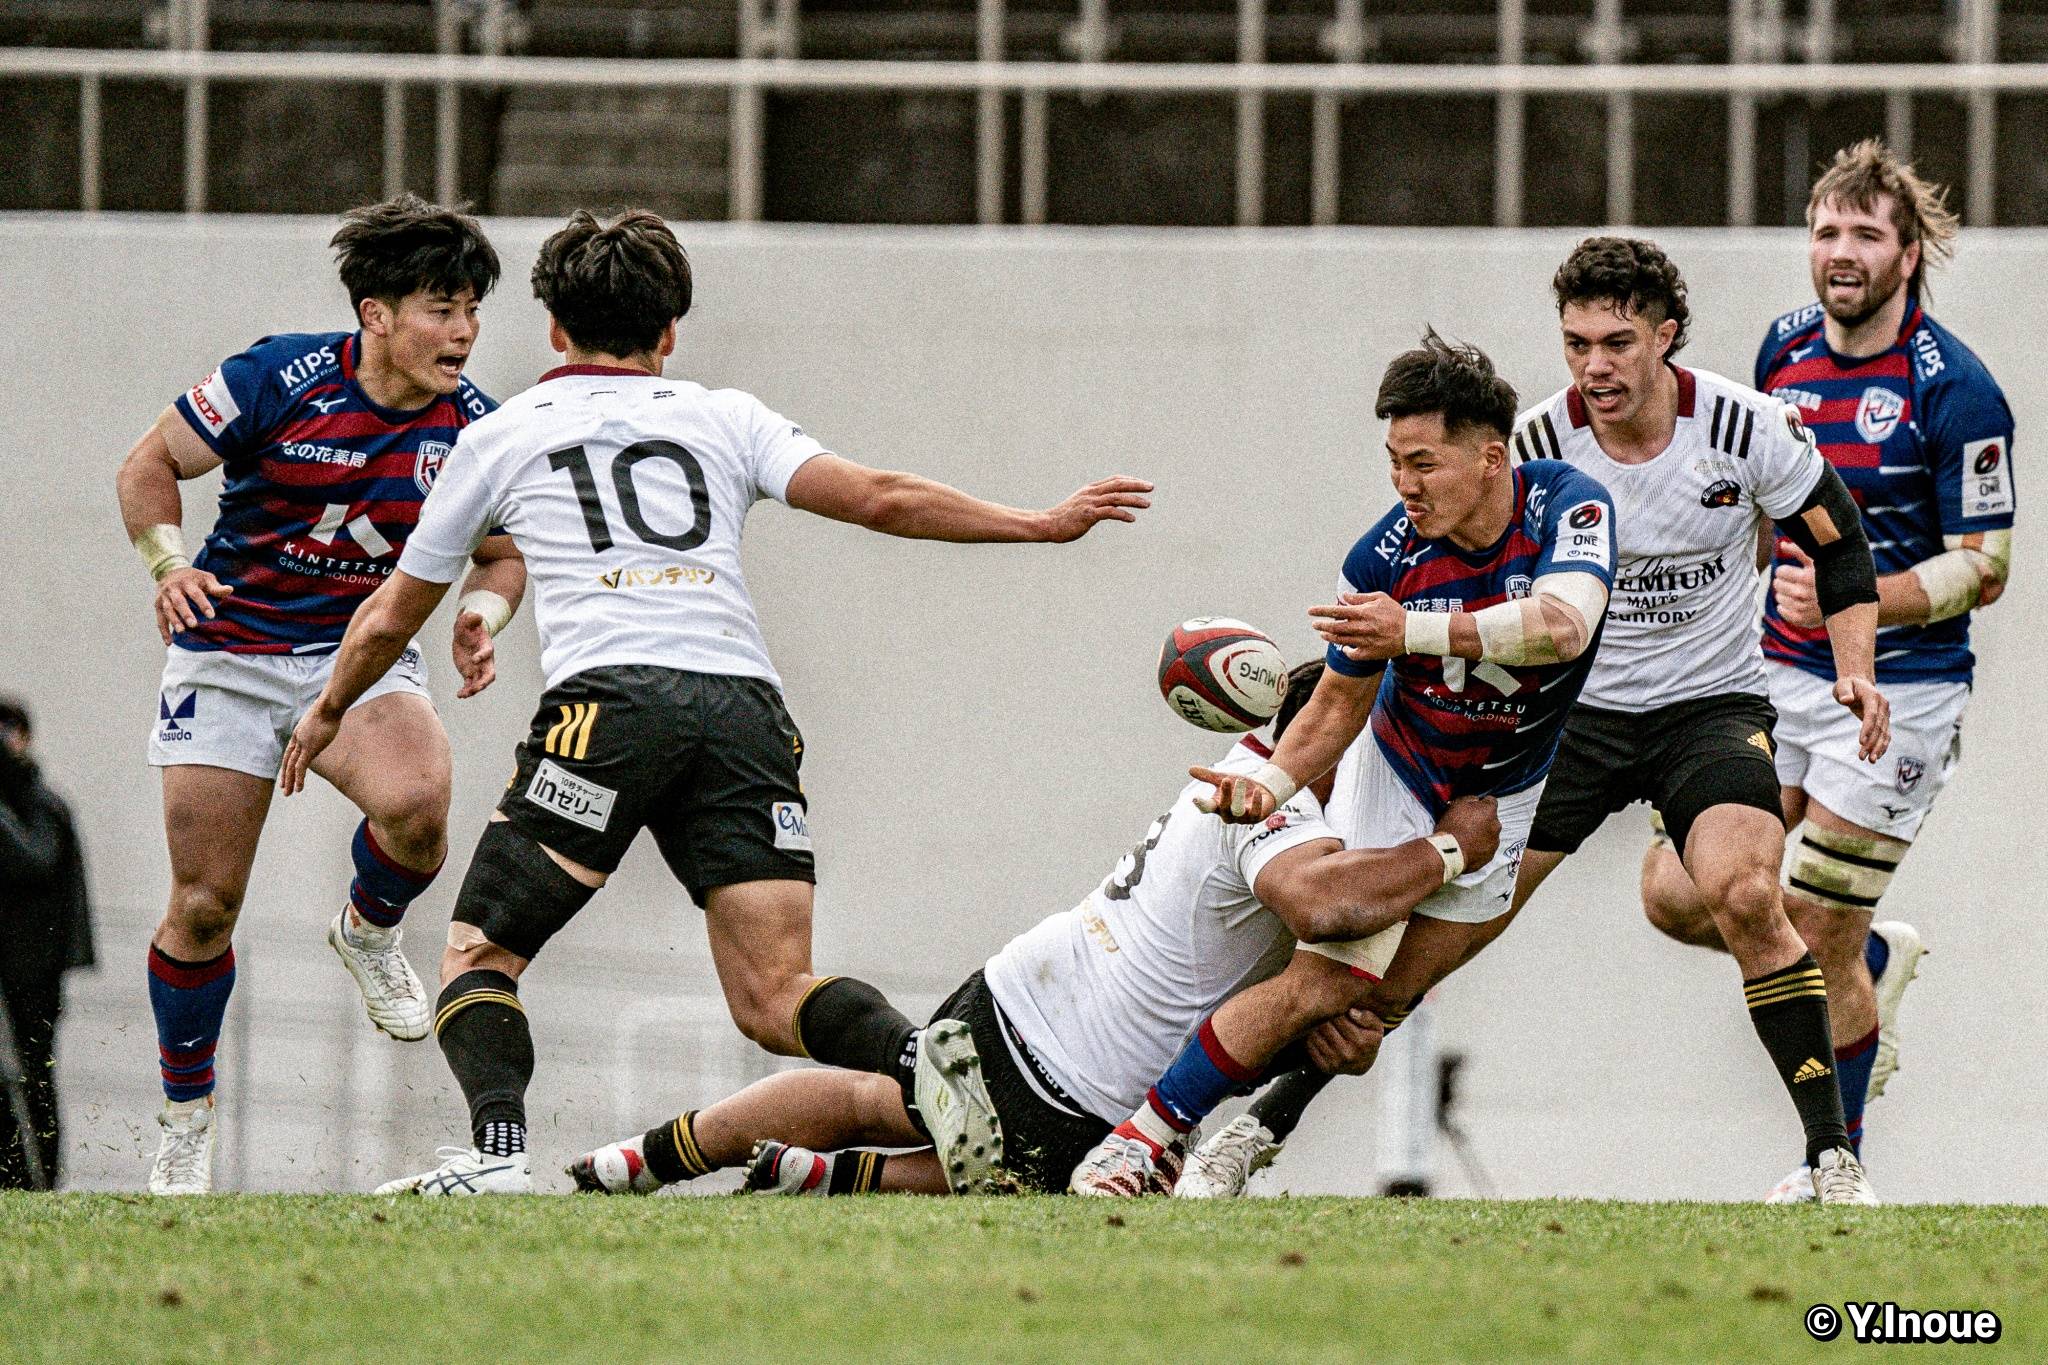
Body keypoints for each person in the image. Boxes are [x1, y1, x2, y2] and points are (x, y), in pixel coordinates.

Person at [279, 208, 1155, 1197]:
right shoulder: (725, 416)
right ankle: (926, 1064)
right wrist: (1036, 523)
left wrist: (327, 709)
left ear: (555, 330)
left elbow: (391, 614)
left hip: (609, 708)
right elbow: (878, 495)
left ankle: (496, 1157)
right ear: (669, 333)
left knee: (481, 955)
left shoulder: (500, 435)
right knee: (775, 993)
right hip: (744, 711)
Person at [1182, 239, 1892, 1206]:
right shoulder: (1537, 445)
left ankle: (1833, 1161)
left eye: (1616, 342)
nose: (1594, 366)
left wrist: (1857, 672)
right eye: (1575, 344)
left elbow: (1840, 541)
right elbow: (1447, 560)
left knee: (1748, 893)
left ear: (1665, 337)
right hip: (1566, 721)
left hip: (1708, 709)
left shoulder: (1746, 426)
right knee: (1413, 957)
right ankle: (1258, 1130)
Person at [563, 661, 1500, 1197]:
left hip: (1022, 985)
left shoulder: (1249, 763)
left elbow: (1296, 975)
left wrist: (1339, 1036)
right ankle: (809, 1177)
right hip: (1082, 1073)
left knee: (875, 1101)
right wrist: (1451, 849)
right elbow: (1324, 907)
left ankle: (635, 1161)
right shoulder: (1280, 806)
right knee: (990, 1176)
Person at [1068, 330, 1617, 1196]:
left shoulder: (1568, 505)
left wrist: (1413, 631)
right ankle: (1143, 1143)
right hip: (1401, 766)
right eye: (1393, 461)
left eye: (1422, 462)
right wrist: (1270, 783)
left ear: (1490, 457)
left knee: (1379, 1006)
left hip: (1506, 788)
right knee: (1327, 978)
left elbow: (1566, 624)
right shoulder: (1381, 558)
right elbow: (1333, 706)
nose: (1404, 484)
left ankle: (1248, 1124)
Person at [115, 193, 523, 1195]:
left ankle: (368, 926)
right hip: (227, 655)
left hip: (356, 657)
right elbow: (149, 463)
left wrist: (482, 614)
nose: (464, 332)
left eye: (472, 309)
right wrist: (169, 564)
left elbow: (503, 554)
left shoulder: (476, 427)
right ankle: (185, 1119)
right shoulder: (278, 377)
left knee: (419, 807)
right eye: (441, 309)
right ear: (376, 314)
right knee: (204, 907)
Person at [1638, 142, 2014, 1201]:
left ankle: (1830, 1162)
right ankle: (1865, 973)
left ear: (1907, 255)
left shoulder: (1957, 392)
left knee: (1811, 929)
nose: (1840, 252)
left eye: (1864, 234)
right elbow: (1765, 499)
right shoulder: (1784, 348)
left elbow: (1983, 567)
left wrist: (1861, 601)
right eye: (1825, 231)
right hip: (1773, 672)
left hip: (1899, 693)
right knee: (1675, 894)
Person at [0, 697, 95, 1190]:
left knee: (33, 1076)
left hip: (34, 973)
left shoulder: (42, 804)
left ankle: (37, 1180)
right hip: (15, 966)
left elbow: (34, 858)